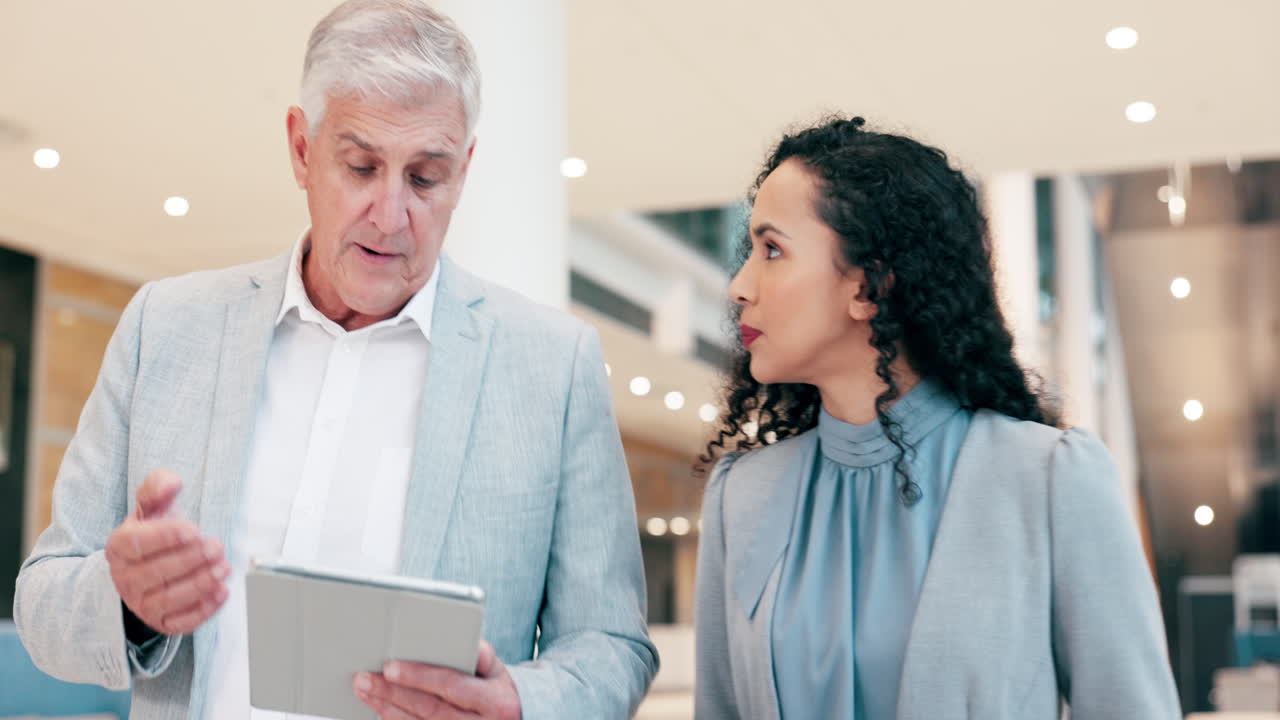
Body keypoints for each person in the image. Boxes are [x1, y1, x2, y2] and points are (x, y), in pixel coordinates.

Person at [14, 2, 657, 718]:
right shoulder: (165, 327)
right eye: (360, 166)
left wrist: (522, 703)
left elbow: (613, 644)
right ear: (300, 148)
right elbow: (43, 605)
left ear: (465, 169)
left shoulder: (553, 366)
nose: (390, 214)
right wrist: (124, 600)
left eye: (425, 178)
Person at [692, 116, 1181, 719]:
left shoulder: (1051, 478)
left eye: (772, 250)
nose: (740, 285)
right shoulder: (740, 496)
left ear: (870, 286)